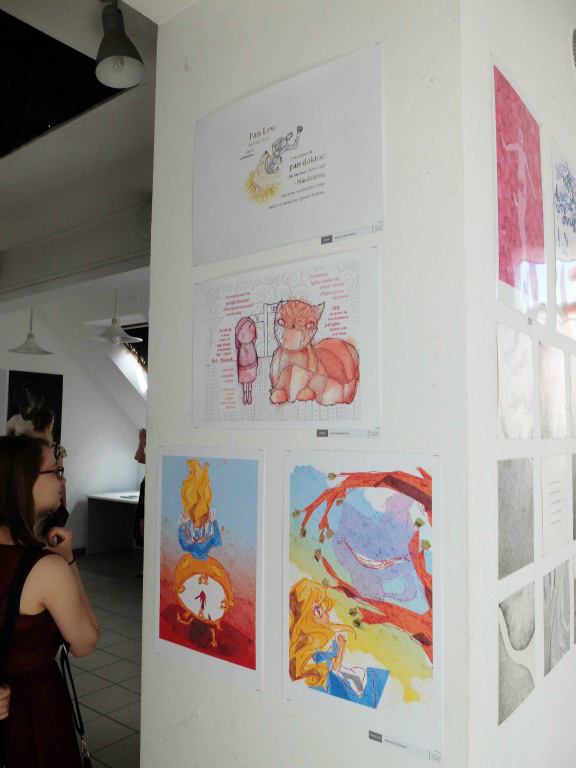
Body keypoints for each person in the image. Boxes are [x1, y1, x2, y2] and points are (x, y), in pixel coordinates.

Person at [0, 435, 100, 767]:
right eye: (55, 471)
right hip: (31, 711)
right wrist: (68, 561)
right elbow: (85, 641)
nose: (63, 480)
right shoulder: (46, 568)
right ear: (23, 482)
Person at [289, 578, 388, 708]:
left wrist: (341, 648)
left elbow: (336, 665)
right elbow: (334, 667)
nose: (326, 612)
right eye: (318, 610)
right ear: (306, 619)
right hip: (331, 686)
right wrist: (340, 649)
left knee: (372, 681)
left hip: (336, 677)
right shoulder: (311, 649)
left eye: (323, 607)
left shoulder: (326, 639)